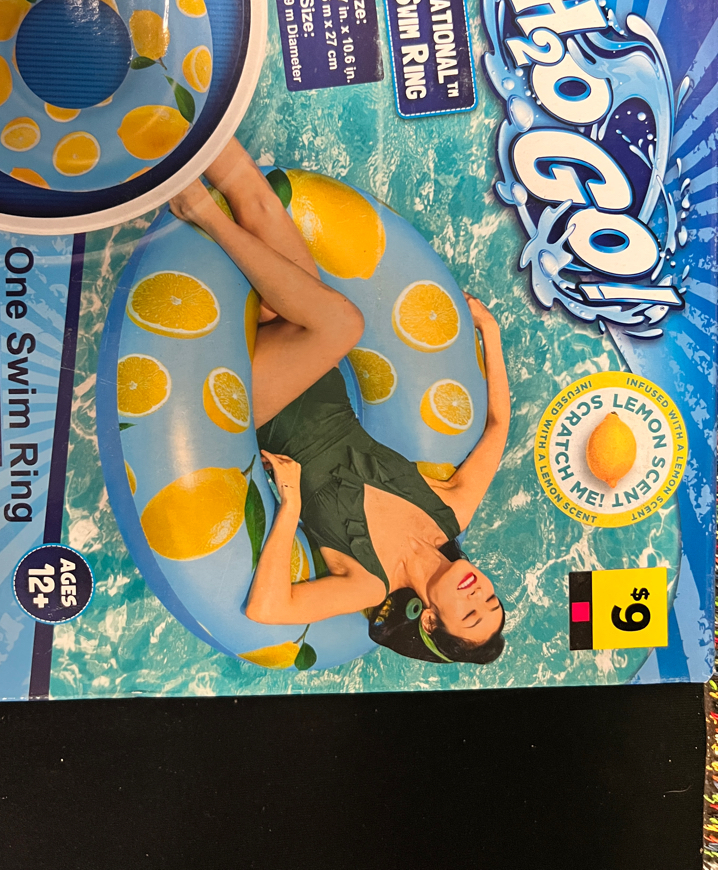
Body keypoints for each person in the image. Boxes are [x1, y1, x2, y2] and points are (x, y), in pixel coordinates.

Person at [170, 138, 510, 665]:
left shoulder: (369, 586)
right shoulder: (452, 511)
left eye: (470, 614)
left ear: (430, 619)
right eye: (491, 600)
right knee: (259, 203)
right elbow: (498, 426)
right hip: (313, 364)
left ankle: (203, 215)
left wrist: (291, 507)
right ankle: (190, 119)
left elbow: (267, 608)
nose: (478, 593)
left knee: (344, 322)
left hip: (259, 406)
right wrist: (490, 332)